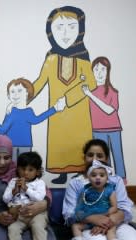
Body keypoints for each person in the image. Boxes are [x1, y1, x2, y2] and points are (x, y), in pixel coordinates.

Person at [32, 6, 96, 184]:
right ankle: (61, 173)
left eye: (72, 26)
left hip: (78, 111)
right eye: (59, 27)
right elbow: (40, 81)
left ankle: (79, 169)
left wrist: (69, 98)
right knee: (59, 142)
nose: (65, 33)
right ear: (50, 32)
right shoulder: (50, 58)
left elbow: (90, 82)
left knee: (79, 142)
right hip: (57, 114)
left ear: (80, 30)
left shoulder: (83, 56)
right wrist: (25, 95)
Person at [0, 78, 65, 161]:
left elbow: (37, 119)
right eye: (12, 91)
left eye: (20, 90)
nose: (16, 94)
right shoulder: (10, 111)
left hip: (25, 145)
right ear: (9, 96)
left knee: (24, 168)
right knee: (12, 169)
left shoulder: (28, 111)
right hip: (10, 146)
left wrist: (54, 109)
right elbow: (2, 131)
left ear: (27, 92)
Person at [67, 159, 128, 240]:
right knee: (75, 226)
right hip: (89, 218)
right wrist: (83, 216)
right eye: (94, 175)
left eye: (102, 175)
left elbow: (114, 207)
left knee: (111, 227)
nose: (98, 178)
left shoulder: (110, 190)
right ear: (88, 177)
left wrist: (106, 214)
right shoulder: (85, 190)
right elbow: (80, 205)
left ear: (107, 178)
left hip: (105, 218)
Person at [82, 56, 127, 183]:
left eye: (103, 69)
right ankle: (106, 182)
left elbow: (109, 110)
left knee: (117, 155)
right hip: (97, 130)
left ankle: (122, 181)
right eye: (96, 70)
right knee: (103, 160)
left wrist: (90, 95)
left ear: (108, 72)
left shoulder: (113, 92)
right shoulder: (91, 92)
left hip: (114, 129)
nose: (100, 73)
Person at [2, 151, 50, 240]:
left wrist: (26, 189)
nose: (25, 173)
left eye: (30, 169)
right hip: (19, 214)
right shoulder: (13, 182)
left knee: (38, 227)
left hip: (37, 214)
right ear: (18, 169)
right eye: (22, 169)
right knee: (12, 228)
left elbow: (39, 198)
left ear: (37, 172)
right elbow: (5, 199)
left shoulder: (39, 183)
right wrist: (14, 191)